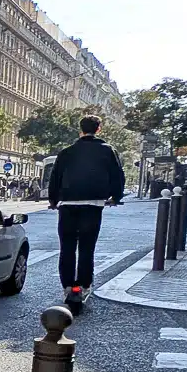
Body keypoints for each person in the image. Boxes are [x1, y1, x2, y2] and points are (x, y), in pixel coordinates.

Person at [48, 115, 125, 306]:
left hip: (67, 205)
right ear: (98, 129)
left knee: (66, 247)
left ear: (80, 129)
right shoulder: (107, 151)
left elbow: (55, 177)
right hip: (93, 204)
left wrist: (53, 200)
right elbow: (117, 175)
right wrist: (115, 197)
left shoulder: (67, 152)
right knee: (86, 247)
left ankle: (67, 285)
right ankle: (83, 285)